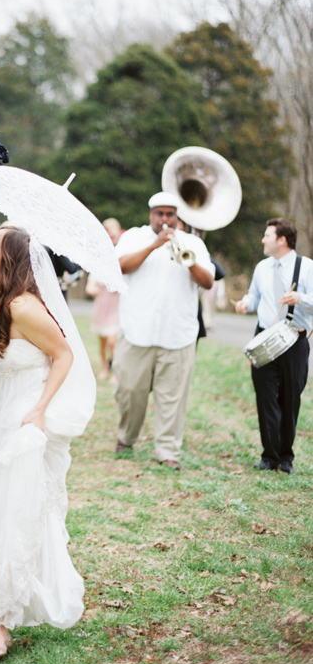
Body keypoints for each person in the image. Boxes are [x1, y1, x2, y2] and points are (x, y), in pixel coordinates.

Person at [0, 226, 93, 661]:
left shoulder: (23, 306)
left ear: (10, 259)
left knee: (13, 511)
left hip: (24, 420)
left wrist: (39, 410)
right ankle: (11, 605)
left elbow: (65, 355)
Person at [113, 192, 214, 470]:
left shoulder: (193, 243)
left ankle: (168, 451)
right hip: (137, 330)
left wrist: (189, 260)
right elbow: (120, 266)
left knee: (172, 397)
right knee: (129, 391)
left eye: (170, 214)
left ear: (177, 217)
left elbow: (208, 281)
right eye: (160, 214)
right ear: (151, 215)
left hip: (178, 334)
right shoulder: (134, 237)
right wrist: (155, 246)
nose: (165, 219)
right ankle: (126, 436)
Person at [235, 218, 313, 474]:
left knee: (290, 399)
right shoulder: (261, 267)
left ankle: (286, 457)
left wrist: (300, 298)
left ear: (282, 239)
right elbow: (255, 296)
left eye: (267, 235)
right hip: (265, 337)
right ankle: (269, 456)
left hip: (294, 339)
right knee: (265, 397)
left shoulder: (307, 267)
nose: (262, 240)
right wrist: (246, 303)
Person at [87, 218, 122, 381]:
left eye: (113, 229)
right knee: (102, 340)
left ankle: (115, 370)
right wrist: (93, 288)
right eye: (108, 229)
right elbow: (90, 284)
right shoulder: (99, 256)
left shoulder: (122, 251)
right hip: (102, 303)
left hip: (116, 303)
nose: (111, 232)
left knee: (112, 341)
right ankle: (104, 367)